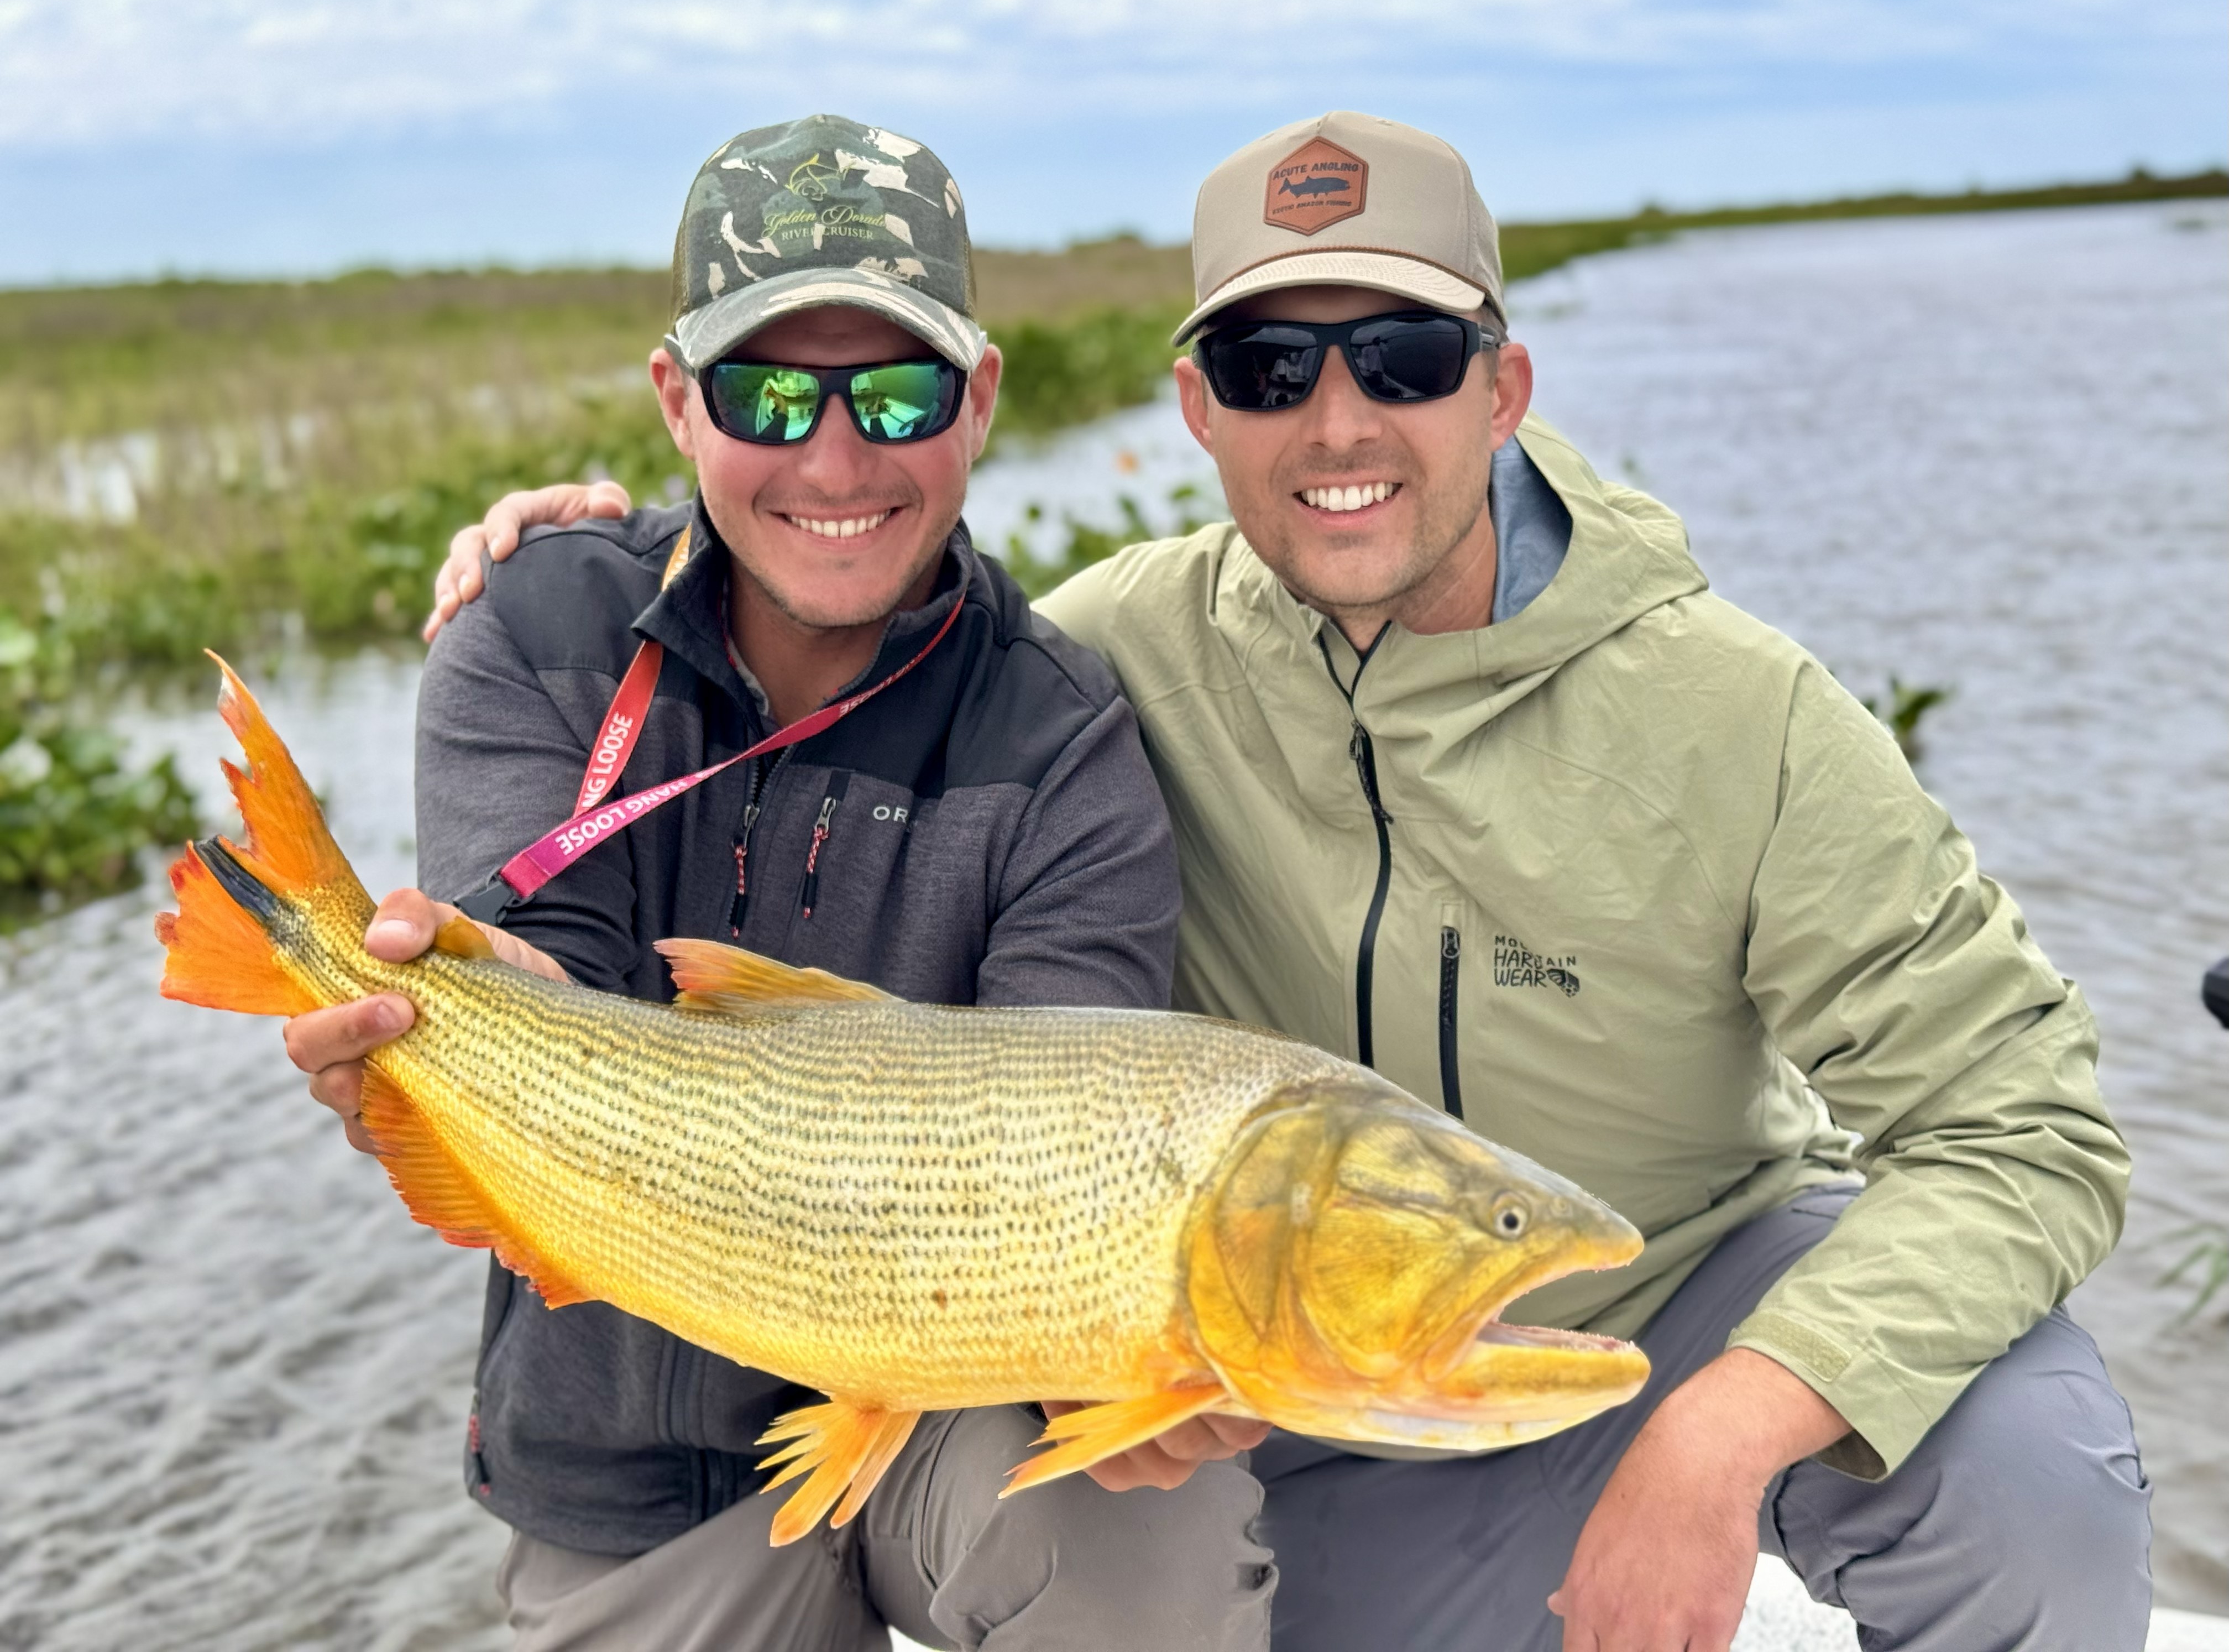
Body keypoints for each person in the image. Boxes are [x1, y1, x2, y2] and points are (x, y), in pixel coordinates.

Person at [441, 112, 2154, 1651]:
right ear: (1195, 408)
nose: (1339, 423)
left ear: (1505, 384)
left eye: (1404, 357)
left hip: (1681, 1304)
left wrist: (1730, 1426)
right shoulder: (1112, 657)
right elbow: (840, 551)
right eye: (1269, 369)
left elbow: (2029, 1130)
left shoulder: (1746, 714)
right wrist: (594, 551)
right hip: (1326, 1388)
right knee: (1175, 1568)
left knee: (2029, 1488)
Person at [283, 113, 1275, 1651]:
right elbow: (540, 971)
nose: (833, 457)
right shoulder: (537, 633)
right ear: (680, 402)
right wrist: (464, 1054)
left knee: (1165, 1527)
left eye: (894, 391)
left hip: (957, 1410)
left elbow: (1062, 1124)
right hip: (628, 1462)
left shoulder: (1066, 740)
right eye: (765, 393)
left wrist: (1142, 1374)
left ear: (984, 399)